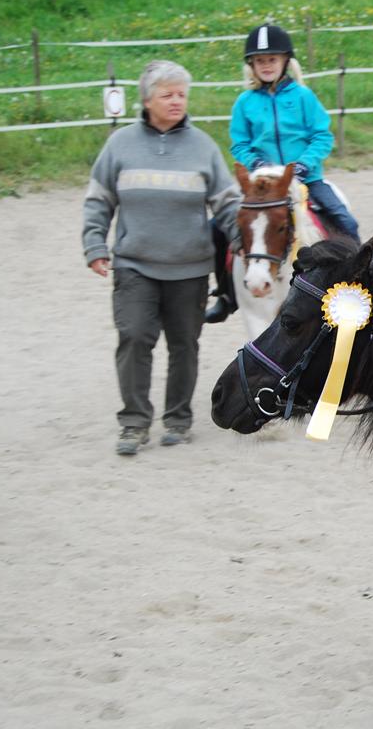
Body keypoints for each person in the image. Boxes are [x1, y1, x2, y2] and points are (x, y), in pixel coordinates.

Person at [82, 60, 242, 456]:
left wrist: (241, 239)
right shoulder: (119, 144)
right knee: (134, 337)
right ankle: (134, 423)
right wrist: (95, 245)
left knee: (184, 344)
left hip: (189, 268)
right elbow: (99, 199)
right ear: (147, 100)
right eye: (167, 95)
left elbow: (227, 202)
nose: (177, 101)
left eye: (182, 94)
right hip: (134, 263)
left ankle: (178, 419)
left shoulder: (203, 146)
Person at [208, 24, 361, 323]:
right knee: (218, 228)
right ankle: (226, 295)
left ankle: (357, 281)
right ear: (251, 65)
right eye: (260, 61)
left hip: (305, 178)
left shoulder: (303, 97)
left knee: (345, 221)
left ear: (285, 61)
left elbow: (322, 136)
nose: (266, 65)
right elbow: (239, 143)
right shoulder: (245, 102)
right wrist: (255, 162)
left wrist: (304, 163)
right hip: (262, 181)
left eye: (272, 59)